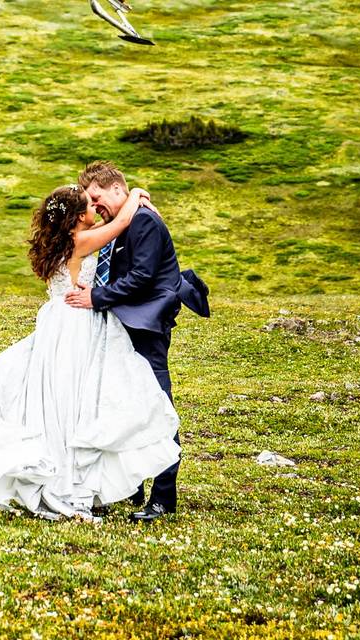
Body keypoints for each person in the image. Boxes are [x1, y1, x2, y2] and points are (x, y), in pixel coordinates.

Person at [0, 184, 181, 521]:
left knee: (57, 397)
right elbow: (123, 222)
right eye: (89, 204)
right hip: (76, 324)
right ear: (79, 215)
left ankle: (83, 476)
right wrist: (137, 192)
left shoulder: (66, 240)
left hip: (57, 322)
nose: (95, 206)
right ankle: (72, 481)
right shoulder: (80, 241)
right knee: (74, 399)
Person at [66, 160, 210, 522]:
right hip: (125, 325)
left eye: (97, 197)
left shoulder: (143, 220)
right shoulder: (127, 217)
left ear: (117, 188)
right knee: (125, 405)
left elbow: (143, 277)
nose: (95, 206)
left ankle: (163, 498)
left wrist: (95, 298)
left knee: (158, 409)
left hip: (146, 327)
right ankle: (131, 487)